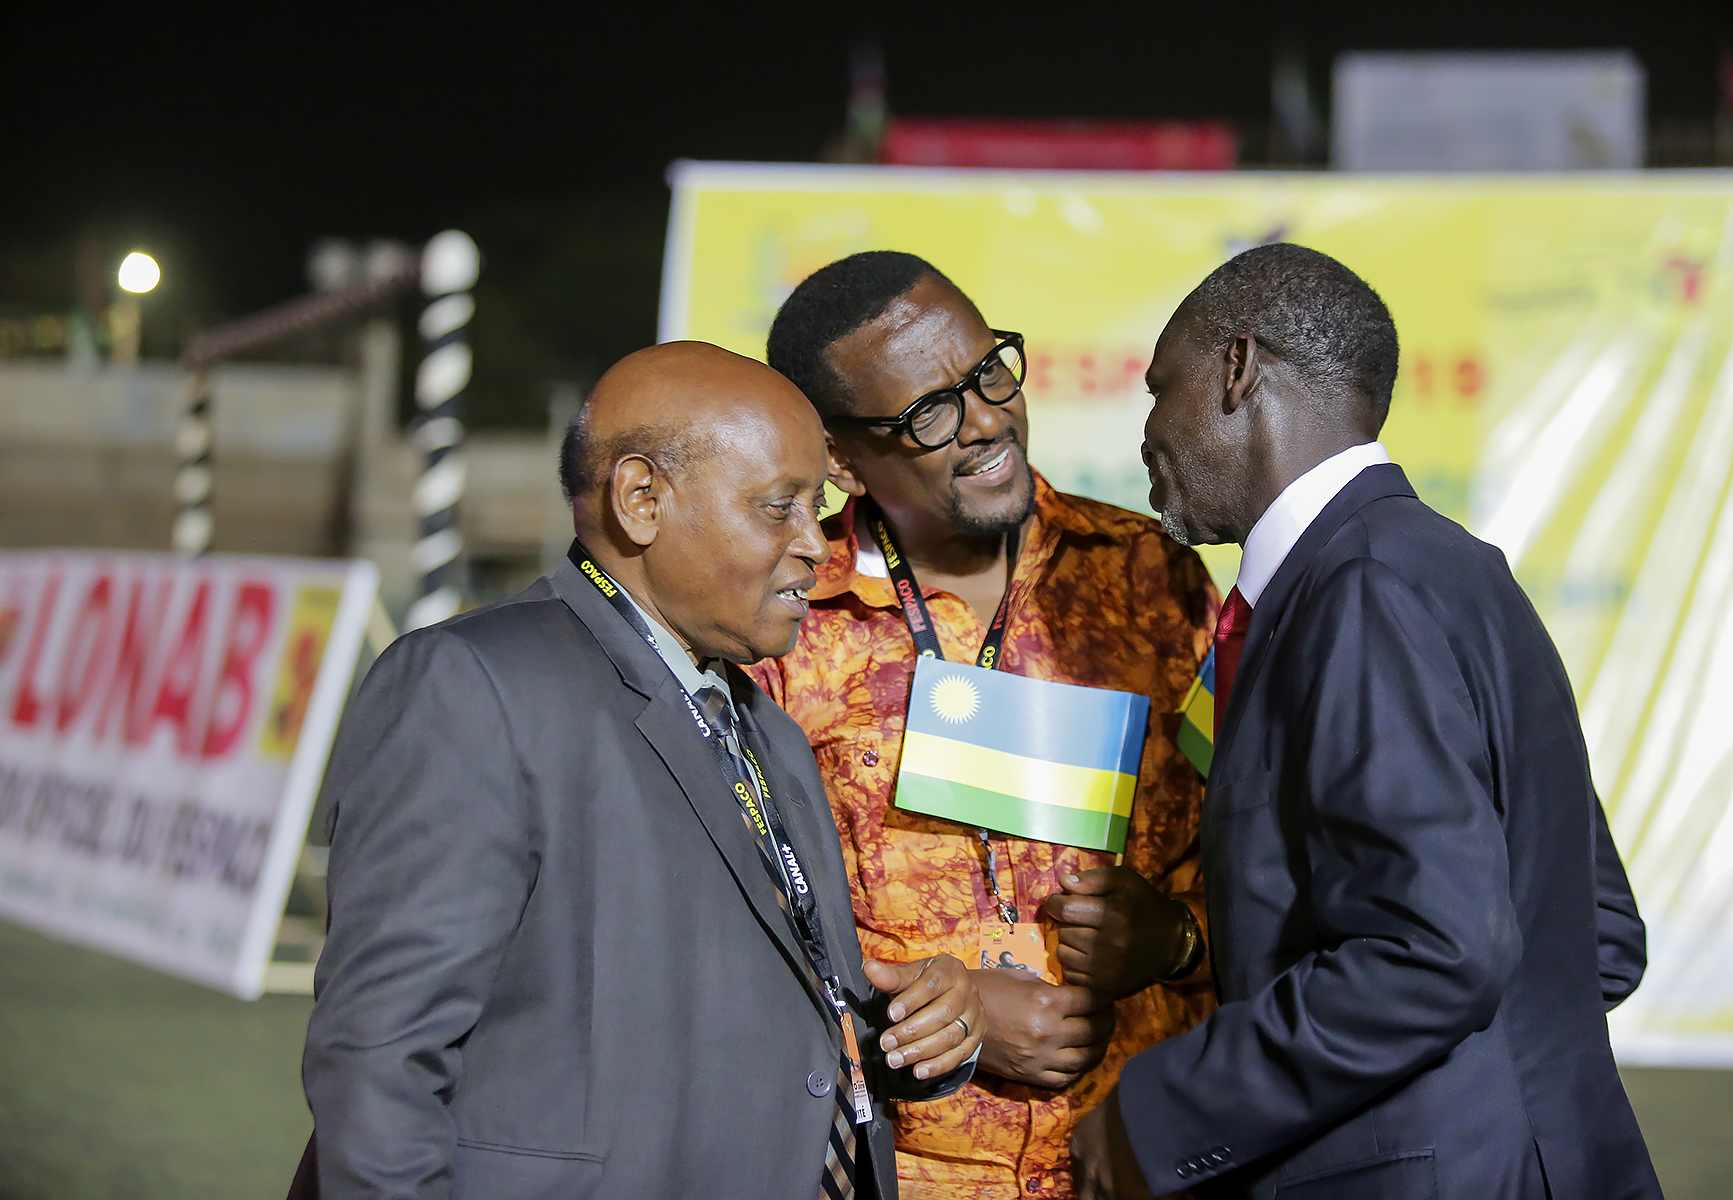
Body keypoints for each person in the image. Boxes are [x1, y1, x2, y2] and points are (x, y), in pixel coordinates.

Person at [299, 341, 985, 1200]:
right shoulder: (473, 687)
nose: (816, 544)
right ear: (641, 498)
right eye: (780, 509)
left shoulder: (765, 726)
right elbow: (379, 1063)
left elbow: (763, 1011)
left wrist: (914, 1032)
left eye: (820, 506)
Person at [1071, 244, 1659, 1199]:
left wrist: (1161, 1112)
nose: (1147, 430)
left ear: (1238, 369)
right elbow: (1596, 936)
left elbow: (1438, 950)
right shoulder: (1454, 568)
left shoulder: (1358, 591)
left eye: (1157, 389)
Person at [755, 251, 1220, 1200]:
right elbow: (737, 931)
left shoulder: (1151, 580)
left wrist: (1175, 939)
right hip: (901, 1171)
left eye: (989, 372)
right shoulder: (787, 632)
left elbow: (1264, 854)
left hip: (1143, 1159)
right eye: (929, 413)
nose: (986, 421)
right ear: (841, 460)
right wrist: (939, 1012)